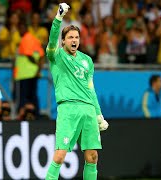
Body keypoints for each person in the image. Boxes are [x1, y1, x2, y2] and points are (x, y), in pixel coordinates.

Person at [45, 3, 109, 180]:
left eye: (77, 37)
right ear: (63, 40)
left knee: (93, 157)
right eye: (70, 37)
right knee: (60, 155)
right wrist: (58, 18)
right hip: (68, 109)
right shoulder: (56, 56)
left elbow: (91, 89)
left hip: (88, 109)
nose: (74, 40)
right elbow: (51, 41)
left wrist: (98, 115)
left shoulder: (87, 60)